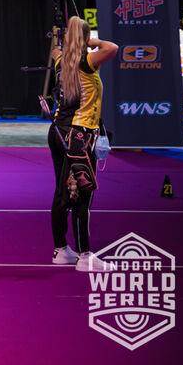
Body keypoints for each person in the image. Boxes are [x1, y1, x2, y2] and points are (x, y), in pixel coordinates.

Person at [47, 15, 117, 272]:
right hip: (77, 135)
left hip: (57, 131)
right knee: (82, 195)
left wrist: (67, 42)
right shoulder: (87, 61)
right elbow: (112, 48)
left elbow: (56, 50)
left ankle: (61, 250)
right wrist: (89, 40)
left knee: (61, 192)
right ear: (85, 39)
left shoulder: (59, 60)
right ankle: (85, 257)